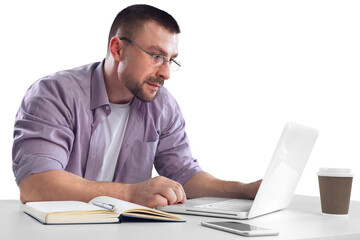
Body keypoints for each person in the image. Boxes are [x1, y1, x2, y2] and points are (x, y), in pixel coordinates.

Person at [12, 4, 261, 208]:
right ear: (117, 48)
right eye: (155, 56)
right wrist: (130, 194)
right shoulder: (54, 94)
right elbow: (36, 184)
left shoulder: (163, 106)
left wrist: (245, 190)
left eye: (170, 60)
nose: (166, 73)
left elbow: (184, 175)